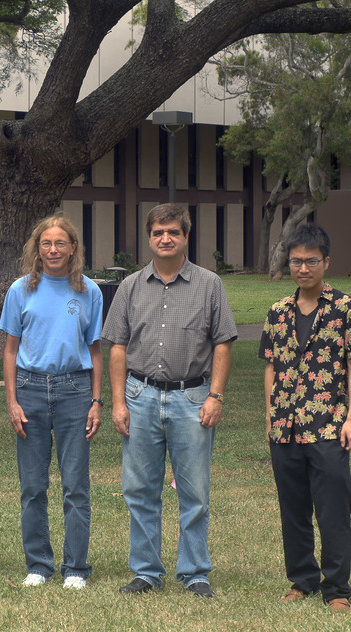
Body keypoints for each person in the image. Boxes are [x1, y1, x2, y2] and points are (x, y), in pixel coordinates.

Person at [102, 203, 237, 598]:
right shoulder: (129, 286)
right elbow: (117, 347)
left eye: (173, 232)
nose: (165, 238)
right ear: (149, 237)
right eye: (158, 232)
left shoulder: (209, 284)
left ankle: (195, 573)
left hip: (192, 397)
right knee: (140, 489)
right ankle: (146, 572)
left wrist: (215, 395)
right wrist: (118, 403)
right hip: (140, 395)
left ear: (185, 236)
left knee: (194, 491)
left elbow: (224, 343)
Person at [260, 225, 351, 612]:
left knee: (333, 509)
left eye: (311, 261)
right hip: (285, 426)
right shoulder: (277, 312)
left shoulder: (346, 308)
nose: (303, 268)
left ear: (326, 262)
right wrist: (269, 416)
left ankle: (337, 588)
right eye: (296, 261)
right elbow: (271, 368)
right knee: (293, 507)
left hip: (328, 424)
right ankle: (301, 579)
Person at [0, 216, 104, 589]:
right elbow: (9, 350)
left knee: (75, 483)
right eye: (46, 243)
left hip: (75, 391)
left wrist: (96, 401)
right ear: (37, 248)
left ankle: (76, 567)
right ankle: (39, 565)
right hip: (30, 388)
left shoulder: (89, 291)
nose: (54, 250)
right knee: (33, 485)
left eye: (61, 243)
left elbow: (95, 350)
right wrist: (11, 400)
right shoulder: (20, 290)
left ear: (73, 247)